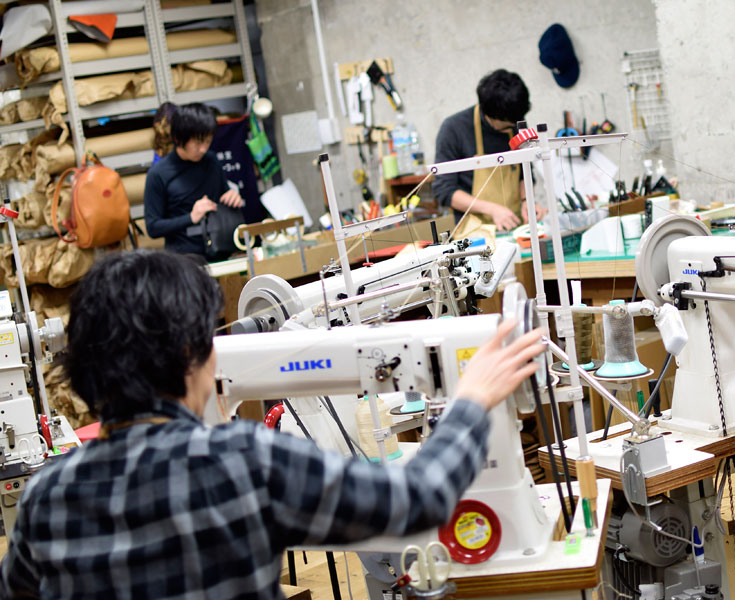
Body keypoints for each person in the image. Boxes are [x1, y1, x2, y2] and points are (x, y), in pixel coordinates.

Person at [0, 250, 545, 600]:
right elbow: (417, 499)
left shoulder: (46, 497)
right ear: (194, 354)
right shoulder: (242, 463)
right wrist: (472, 401)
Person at [432, 69, 546, 233]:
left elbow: (524, 172)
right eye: (507, 126)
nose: (513, 128)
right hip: (475, 233)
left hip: (515, 229)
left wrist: (526, 201)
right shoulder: (454, 129)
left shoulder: (515, 120)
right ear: (489, 115)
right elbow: (444, 191)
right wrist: (492, 209)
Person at [144, 103, 244, 257]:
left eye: (208, 141)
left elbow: (224, 195)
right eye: (197, 143)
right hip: (185, 260)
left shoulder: (212, 161)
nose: (203, 148)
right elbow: (153, 227)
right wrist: (190, 217)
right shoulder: (158, 174)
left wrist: (232, 197)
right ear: (178, 138)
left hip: (222, 251)